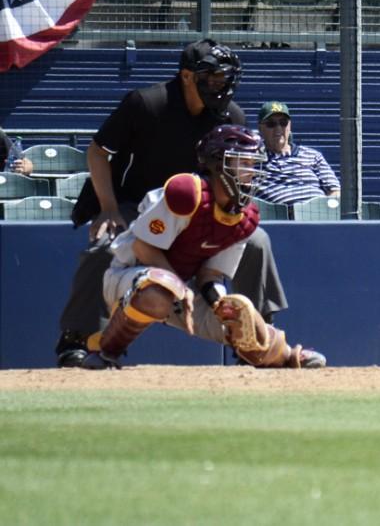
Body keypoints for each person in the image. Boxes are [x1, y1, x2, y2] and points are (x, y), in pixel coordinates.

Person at [54, 39, 291, 368]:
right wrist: (107, 207)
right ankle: (77, 338)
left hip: (196, 208)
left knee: (257, 241)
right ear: (186, 76)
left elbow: (233, 172)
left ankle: (257, 334)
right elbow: (98, 152)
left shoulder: (230, 115)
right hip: (132, 202)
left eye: (226, 78)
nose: (221, 85)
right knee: (105, 249)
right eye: (213, 77)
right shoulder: (147, 103)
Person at [81, 125, 326, 370]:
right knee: (159, 290)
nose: (251, 172)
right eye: (243, 163)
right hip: (127, 275)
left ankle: (285, 356)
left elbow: (211, 275)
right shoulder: (187, 193)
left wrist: (220, 303)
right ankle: (105, 352)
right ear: (219, 165)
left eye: (253, 164)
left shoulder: (244, 217)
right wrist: (176, 286)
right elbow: (142, 247)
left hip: (182, 289)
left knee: (240, 318)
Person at [254, 101, 341, 205]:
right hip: (278, 218)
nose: (278, 128)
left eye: (283, 123)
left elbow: (335, 191)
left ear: (289, 125)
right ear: (260, 128)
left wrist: (327, 209)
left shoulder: (313, 156)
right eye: (271, 124)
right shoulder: (253, 160)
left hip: (316, 216)